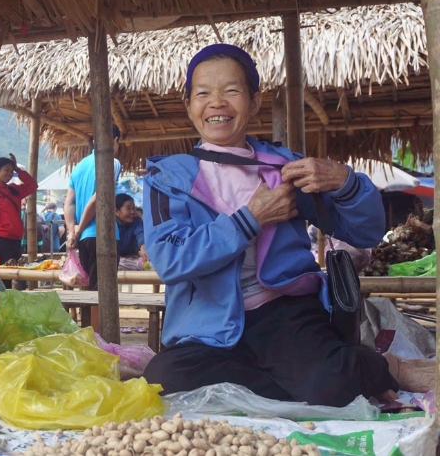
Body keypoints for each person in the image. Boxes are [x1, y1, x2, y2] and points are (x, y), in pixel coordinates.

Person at [142, 43, 435, 407]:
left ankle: (382, 367)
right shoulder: (167, 178)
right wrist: (250, 220)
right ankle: (324, 375)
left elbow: (365, 232)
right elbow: (170, 260)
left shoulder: (284, 168)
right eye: (203, 93)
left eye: (231, 91)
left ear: (254, 101)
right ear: (188, 105)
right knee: (163, 380)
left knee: (326, 385)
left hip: (285, 313)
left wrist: (346, 182)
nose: (216, 102)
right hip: (206, 322)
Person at [64, 125, 122, 332]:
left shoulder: (79, 166)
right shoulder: (112, 162)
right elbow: (98, 198)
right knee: (102, 293)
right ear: (114, 141)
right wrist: (78, 230)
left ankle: (88, 334)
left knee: (88, 290)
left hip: (84, 237)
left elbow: (69, 202)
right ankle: (99, 340)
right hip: (101, 234)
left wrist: (73, 231)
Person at [0, 154, 38, 272]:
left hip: (16, 240)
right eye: (6, 170)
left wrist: (18, 169)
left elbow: (32, 185)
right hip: (0, 241)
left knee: (17, 276)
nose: (9, 174)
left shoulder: (14, 189)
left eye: (11, 171)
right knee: (5, 278)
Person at [115, 194, 146, 260]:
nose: (132, 212)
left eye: (133, 208)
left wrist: (143, 247)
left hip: (131, 257)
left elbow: (140, 233)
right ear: (117, 211)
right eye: (128, 208)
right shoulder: (111, 224)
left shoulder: (136, 221)